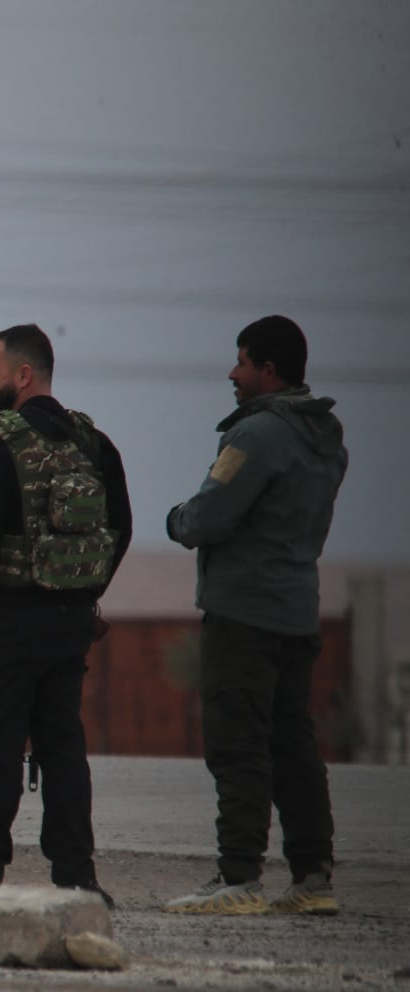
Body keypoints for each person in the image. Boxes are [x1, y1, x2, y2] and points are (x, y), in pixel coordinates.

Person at [0, 324, 131, 907]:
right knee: (63, 748)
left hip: (8, 621)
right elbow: (120, 528)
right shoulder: (93, 442)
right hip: (69, 623)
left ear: (23, 376)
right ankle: (77, 878)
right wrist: (83, 591)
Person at [162, 315, 345, 916]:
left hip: (243, 614)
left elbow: (208, 516)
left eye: (242, 362)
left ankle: (239, 877)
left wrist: (176, 519)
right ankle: (313, 878)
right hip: (297, 612)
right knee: (294, 747)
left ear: (269, 370)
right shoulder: (325, 437)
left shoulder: (258, 435)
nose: (232, 373)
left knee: (238, 745)